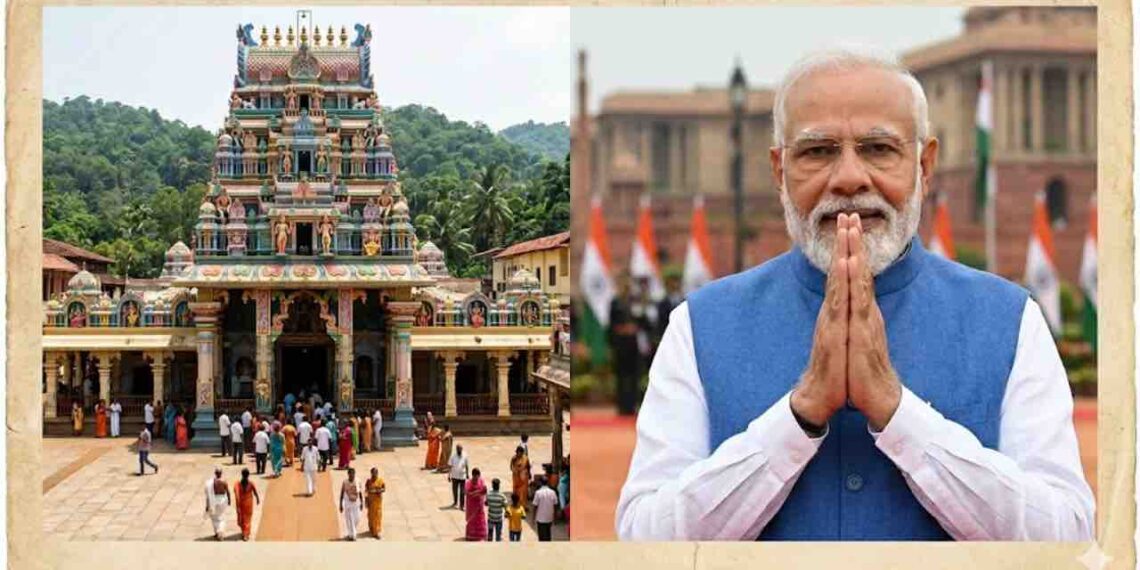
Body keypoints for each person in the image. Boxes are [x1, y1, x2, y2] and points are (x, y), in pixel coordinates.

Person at [615, 48, 1095, 542]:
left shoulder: (1010, 322)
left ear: (924, 166)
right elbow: (644, 541)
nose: (848, 178)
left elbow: (1066, 537)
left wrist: (896, 410)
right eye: (817, 151)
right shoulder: (701, 325)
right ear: (780, 171)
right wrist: (799, 413)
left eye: (878, 149)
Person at [205, 467, 231, 541]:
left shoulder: (211, 483)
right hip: (222, 500)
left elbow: (208, 494)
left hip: (214, 500)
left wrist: (207, 505)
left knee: (214, 517)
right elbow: (228, 492)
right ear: (221, 473)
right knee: (221, 517)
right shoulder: (224, 482)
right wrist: (229, 500)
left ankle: (218, 532)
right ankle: (220, 533)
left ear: (215, 473)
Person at [234, 468, 260, 541]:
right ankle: (245, 533)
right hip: (248, 503)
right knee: (247, 519)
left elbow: (236, 493)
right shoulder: (251, 483)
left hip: (242, 503)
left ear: (242, 475)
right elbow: (255, 492)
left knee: (243, 518)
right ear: (248, 475)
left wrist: (257, 498)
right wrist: (257, 499)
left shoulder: (238, 484)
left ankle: (245, 534)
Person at [340, 467, 364, 541]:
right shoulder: (345, 482)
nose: (352, 476)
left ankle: (351, 533)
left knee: (357, 518)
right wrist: (340, 504)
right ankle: (353, 535)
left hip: (356, 503)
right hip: (348, 503)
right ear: (348, 474)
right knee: (349, 519)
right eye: (350, 474)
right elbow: (342, 493)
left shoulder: (358, 481)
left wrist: (362, 502)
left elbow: (360, 492)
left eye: (353, 474)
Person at [464, 468, 488, 541]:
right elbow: (467, 493)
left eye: (477, 476)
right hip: (471, 506)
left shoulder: (481, 481)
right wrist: (478, 492)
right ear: (473, 475)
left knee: (480, 520)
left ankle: (481, 535)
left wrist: (481, 493)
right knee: (472, 520)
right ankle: (471, 535)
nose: (476, 478)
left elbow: (484, 491)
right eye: (475, 476)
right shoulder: (468, 483)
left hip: (479, 505)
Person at [532, 475, 558, 542]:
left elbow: (535, 506)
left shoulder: (538, 493)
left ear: (540, 483)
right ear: (548, 482)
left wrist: (533, 518)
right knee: (548, 535)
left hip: (540, 519)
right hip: (549, 518)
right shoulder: (552, 492)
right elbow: (555, 506)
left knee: (541, 537)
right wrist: (555, 517)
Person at [365, 467, 386, 539]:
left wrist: (379, 490)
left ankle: (376, 532)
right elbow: (366, 491)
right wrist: (366, 501)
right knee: (371, 516)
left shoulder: (380, 480)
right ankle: (372, 529)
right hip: (371, 502)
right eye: (373, 473)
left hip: (378, 502)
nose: (375, 475)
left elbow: (384, 488)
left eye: (376, 473)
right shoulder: (368, 481)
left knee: (378, 516)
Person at [485, 478, 506, 542]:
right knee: (498, 536)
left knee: (490, 535)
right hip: (499, 519)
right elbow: (505, 505)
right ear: (499, 486)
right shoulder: (502, 496)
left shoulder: (488, 495)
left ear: (492, 485)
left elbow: (486, 503)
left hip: (491, 518)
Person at [448, 444, 468, 509]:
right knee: (455, 490)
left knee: (462, 491)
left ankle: (462, 505)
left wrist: (467, 474)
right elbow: (450, 466)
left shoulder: (465, 455)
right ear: (456, 449)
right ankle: (455, 502)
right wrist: (449, 475)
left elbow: (467, 465)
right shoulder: (453, 456)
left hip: (462, 476)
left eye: (460, 449)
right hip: (454, 476)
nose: (459, 450)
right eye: (458, 449)